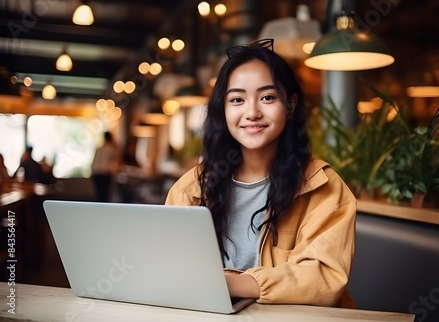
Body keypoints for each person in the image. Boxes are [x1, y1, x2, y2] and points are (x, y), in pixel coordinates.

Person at [165, 38, 356, 307]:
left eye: (267, 97)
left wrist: (225, 284)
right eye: (237, 99)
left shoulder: (323, 186)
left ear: (290, 105)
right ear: (223, 109)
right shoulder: (192, 187)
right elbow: (168, 265)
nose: (252, 112)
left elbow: (322, 278)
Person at [91, 131, 120, 202]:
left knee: (99, 194)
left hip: (95, 173)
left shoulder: (99, 149)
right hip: (104, 173)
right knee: (105, 195)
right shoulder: (111, 149)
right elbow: (114, 164)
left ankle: (99, 209)